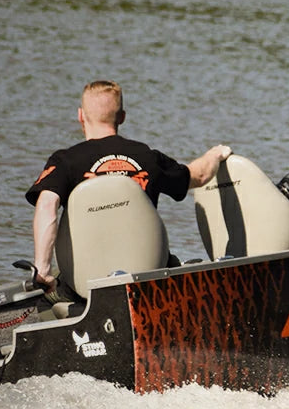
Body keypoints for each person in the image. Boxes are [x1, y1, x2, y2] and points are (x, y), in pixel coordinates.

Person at [24, 80, 230, 293]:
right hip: (149, 282)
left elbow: (47, 205)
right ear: (122, 117)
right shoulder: (148, 157)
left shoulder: (65, 160)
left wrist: (43, 269)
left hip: (84, 287)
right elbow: (199, 175)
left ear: (81, 116)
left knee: (50, 290)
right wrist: (214, 154)